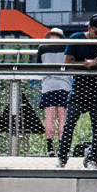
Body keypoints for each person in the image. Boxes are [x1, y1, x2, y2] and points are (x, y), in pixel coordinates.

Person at [56, 14, 97, 170]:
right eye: (96, 32)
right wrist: (84, 64)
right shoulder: (76, 38)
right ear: (89, 28)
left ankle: (93, 159)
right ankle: (62, 158)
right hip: (79, 90)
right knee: (69, 125)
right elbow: (68, 62)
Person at [36, 28, 70, 157]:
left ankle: (50, 147)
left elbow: (38, 66)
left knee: (49, 117)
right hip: (64, 85)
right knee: (63, 117)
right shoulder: (66, 47)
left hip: (48, 85)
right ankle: (61, 146)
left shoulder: (42, 47)